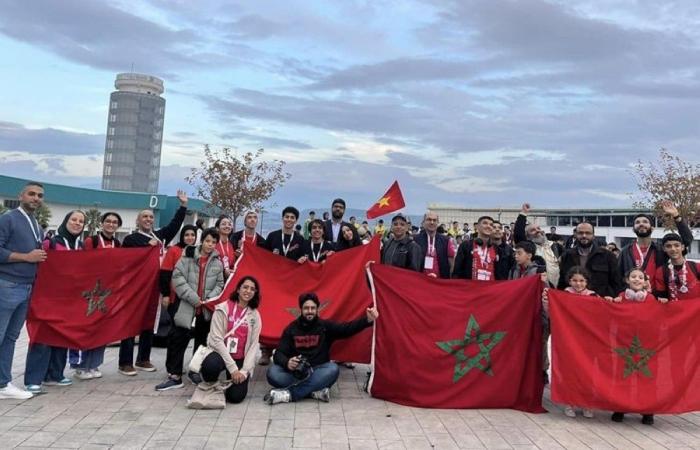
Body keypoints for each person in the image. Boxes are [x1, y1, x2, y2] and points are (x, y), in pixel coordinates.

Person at [118, 190, 188, 376]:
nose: (148, 219)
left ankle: (143, 359)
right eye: (144, 217)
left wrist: (183, 206)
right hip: (136, 288)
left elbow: (174, 226)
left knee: (150, 321)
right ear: (138, 221)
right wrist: (144, 248)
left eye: (150, 216)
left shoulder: (159, 236)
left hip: (154, 287)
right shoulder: (131, 239)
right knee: (132, 323)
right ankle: (125, 362)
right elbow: (128, 262)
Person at [264, 292, 378, 404]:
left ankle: (290, 394)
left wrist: (367, 320)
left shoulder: (325, 327)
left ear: (317, 309)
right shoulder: (291, 329)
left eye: (313, 308)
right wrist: (287, 362)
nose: (309, 311)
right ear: (301, 309)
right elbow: (278, 353)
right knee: (272, 372)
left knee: (333, 369)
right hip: (296, 374)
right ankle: (314, 392)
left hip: (318, 371)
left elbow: (347, 329)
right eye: (306, 308)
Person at [25, 210, 86, 394]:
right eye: (73, 219)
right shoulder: (51, 242)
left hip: (69, 300)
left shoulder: (81, 246)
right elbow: (39, 267)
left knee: (62, 336)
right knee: (42, 337)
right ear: (66, 221)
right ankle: (34, 379)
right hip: (47, 298)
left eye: (81, 221)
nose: (77, 223)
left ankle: (55, 374)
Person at [155, 228, 224, 391]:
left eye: (214, 242)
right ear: (202, 240)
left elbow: (220, 284)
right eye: (207, 241)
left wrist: (208, 299)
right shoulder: (187, 257)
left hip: (205, 310)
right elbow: (177, 279)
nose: (210, 245)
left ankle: (195, 371)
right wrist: (194, 298)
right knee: (178, 340)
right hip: (186, 307)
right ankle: (175, 375)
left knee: (201, 342)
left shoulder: (217, 262)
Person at [0, 182, 47, 400]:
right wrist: (26, 257)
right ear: (21, 196)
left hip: (27, 286)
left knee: (10, 337)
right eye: (31, 194)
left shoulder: (36, 223)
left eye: (39, 195)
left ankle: (3, 383)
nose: (36, 198)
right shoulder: (9, 218)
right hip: (8, 284)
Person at [191, 276, 262, 404]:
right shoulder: (222, 309)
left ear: (255, 293)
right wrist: (233, 369)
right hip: (220, 355)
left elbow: (253, 345)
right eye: (245, 287)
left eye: (252, 289)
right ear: (238, 289)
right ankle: (211, 383)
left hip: (240, 357)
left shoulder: (255, 315)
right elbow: (216, 340)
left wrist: (244, 371)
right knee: (210, 366)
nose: (248, 291)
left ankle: (228, 385)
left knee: (235, 397)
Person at [72, 212, 124, 381]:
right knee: (88, 328)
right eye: (108, 221)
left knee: (102, 329)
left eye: (114, 222)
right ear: (102, 223)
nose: (111, 224)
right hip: (91, 292)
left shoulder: (117, 243)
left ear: (118, 226)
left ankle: (94, 364)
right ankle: (81, 366)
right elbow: (83, 263)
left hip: (108, 293)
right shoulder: (91, 241)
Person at [608, 268, 662, 426]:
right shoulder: (621, 297)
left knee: (647, 377)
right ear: (627, 280)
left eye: (640, 277)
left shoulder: (651, 299)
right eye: (633, 276)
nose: (637, 279)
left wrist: (663, 304)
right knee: (622, 375)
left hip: (647, 344)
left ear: (645, 282)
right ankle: (620, 406)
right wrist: (612, 302)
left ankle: (647, 410)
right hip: (624, 342)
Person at [543, 266, 597, 419]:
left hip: (587, 341)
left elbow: (600, 315)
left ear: (587, 282)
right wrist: (547, 301)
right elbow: (552, 311)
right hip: (569, 339)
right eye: (574, 280)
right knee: (570, 372)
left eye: (581, 281)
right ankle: (570, 403)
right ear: (569, 281)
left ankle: (587, 404)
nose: (578, 284)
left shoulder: (593, 296)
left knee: (588, 372)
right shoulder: (564, 295)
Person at [618, 201, 693, 288]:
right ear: (633, 229)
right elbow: (618, 277)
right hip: (632, 298)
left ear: (652, 228)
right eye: (637, 222)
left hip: (658, 298)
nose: (641, 224)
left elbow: (687, 240)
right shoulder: (625, 251)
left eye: (645, 222)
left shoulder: (661, 249)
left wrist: (676, 216)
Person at [558, 222, 622, 297]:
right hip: (574, 303)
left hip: (599, 303)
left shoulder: (608, 256)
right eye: (580, 233)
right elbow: (562, 283)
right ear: (575, 235)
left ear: (593, 236)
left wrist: (611, 298)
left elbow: (616, 283)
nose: (584, 236)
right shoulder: (567, 255)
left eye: (588, 233)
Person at [514, 203, 561, 287]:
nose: (538, 231)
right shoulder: (529, 247)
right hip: (536, 289)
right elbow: (518, 233)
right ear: (527, 236)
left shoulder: (555, 246)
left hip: (556, 290)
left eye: (538, 228)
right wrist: (523, 213)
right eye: (533, 230)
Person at [453, 216, 509, 280]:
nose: (488, 226)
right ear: (478, 227)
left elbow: (500, 274)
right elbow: (457, 270)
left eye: (491, 225)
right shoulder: (466, 245)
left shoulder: (497, 249)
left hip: (490, 288)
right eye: (485, 223)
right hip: (470, 287)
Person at [653, 233, 700, 301]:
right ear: (664, 248)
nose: (673, 249)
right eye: (669, 246)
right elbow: (662, 296)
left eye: (677, 245)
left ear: (682, 247)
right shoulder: (661, 272)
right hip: (674, 310)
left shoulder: (696, 267)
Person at [415, 211, 454, 278]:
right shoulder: (415, 240)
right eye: (429, 219)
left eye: (434, 220)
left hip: (440, 283)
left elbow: (452, 265)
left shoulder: (446, 241)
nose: (432, 222)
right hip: (420, 282)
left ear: (438, 223)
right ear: (423, 222)